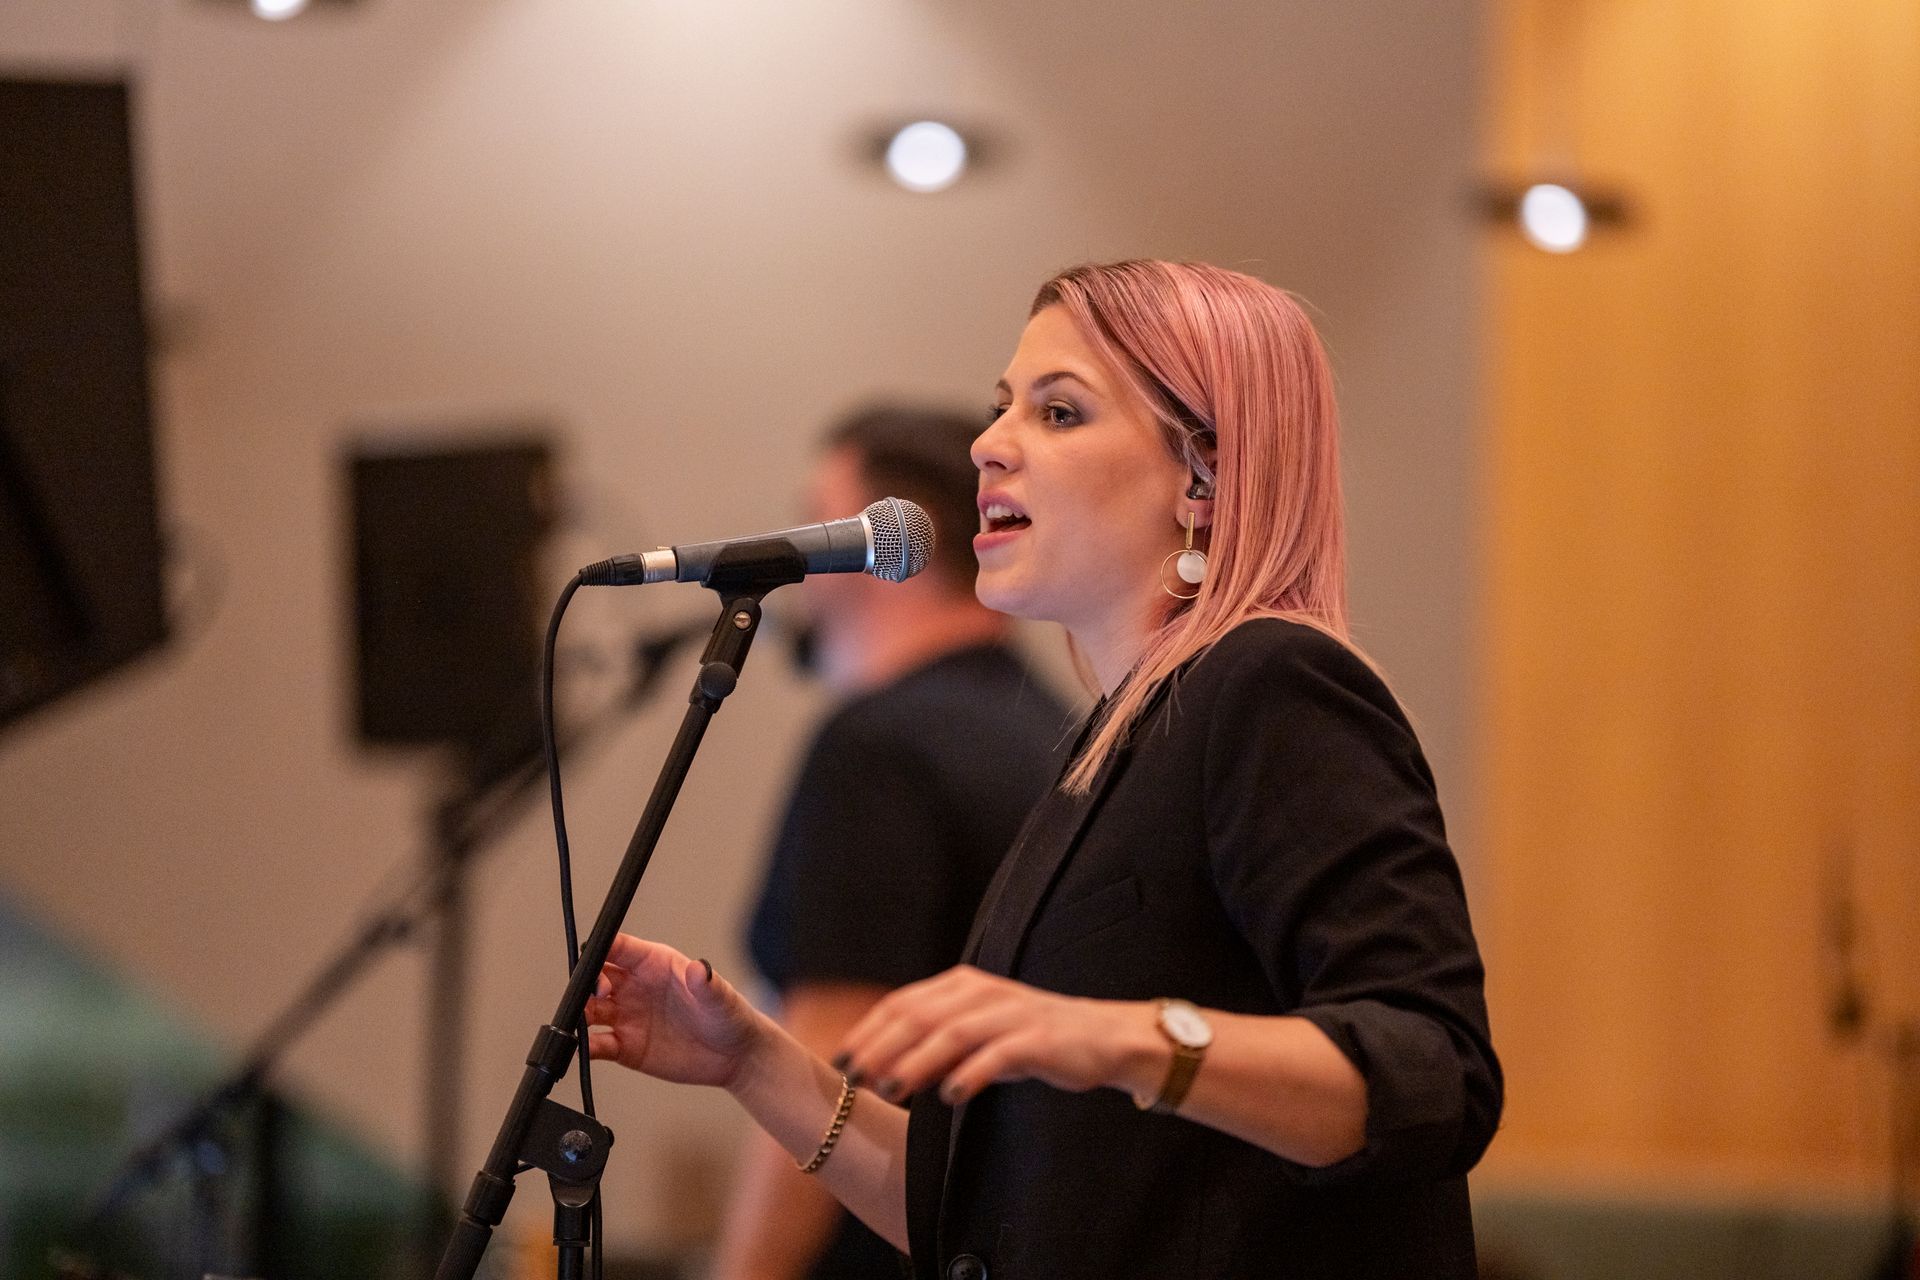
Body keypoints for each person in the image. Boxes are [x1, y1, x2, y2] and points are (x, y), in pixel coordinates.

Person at [587, 260, 1502, 1279]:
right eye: (1002, 406)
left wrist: (1117, 1039)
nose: (989, 443)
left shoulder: (1272, 684)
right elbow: (971, 1221)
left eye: (1059, 411)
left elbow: (1434, 1071)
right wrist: (751, 1061)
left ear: (1202, 480)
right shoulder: (1100, 747)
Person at [716, 407, 1068, 1280]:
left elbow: (826, 1069)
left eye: (816, 523)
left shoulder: (877, 750)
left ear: (885, 546)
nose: (795, 565)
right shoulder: (1063, 733)